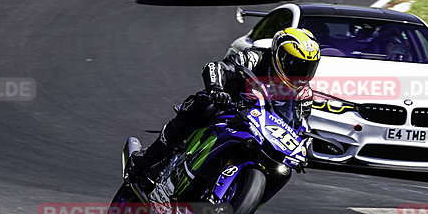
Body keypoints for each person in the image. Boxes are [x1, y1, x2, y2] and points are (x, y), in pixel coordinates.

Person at [127, 27, 321, 184]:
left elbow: (301, 124)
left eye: (307, 68)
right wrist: (216, 89)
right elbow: (216, 67)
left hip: (264, 130)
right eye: (296, 65)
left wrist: (302, 148)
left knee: (283, 171)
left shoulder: (304, 93)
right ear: (280, 56)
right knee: (204, 104)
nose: (301, 73)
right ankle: (150, 157)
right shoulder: (257, 58)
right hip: (230, 108)